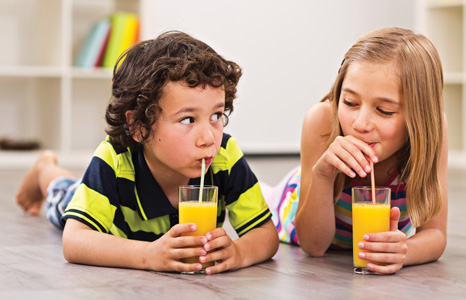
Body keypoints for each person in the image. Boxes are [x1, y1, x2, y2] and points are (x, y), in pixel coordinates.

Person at [15, 31, 279, 274]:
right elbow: (74, 240)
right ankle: (45, 169)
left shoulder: (223, 155)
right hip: (108, 221)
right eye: (188, 119)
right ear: (139, 127)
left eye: (216, 115)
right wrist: (147, 255)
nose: (209, 138)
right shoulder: (115, 160)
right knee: (64, 194)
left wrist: (240, 252)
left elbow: (266, 234)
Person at [266, 27, 448, 275]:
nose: (360, 124)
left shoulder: (433, 132)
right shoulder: (321, 121)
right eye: (350, 103)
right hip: (294, 200)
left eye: (384, 110)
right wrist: (322, 175)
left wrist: (404, 251)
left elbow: (435, 234)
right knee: (265, 198)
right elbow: (315, 246)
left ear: (419, 117)